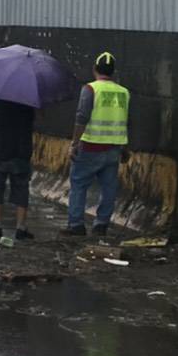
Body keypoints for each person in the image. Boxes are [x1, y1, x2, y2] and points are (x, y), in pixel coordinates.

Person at [67, 51, 129, 236]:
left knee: (79, 184)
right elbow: (125, 121)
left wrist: (74, 143)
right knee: (109, 188)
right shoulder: (124, 92)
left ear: (94, 68)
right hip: (114, 148)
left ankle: (76, 224)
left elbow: (82, 117)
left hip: (91, 146)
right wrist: (125, 148)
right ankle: (101, 224)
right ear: (113, 72)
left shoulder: (90, 89)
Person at [0, 90, 36, 241]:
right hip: (21, 147)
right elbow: (40, 116)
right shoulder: (30, 91)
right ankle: (21, 227)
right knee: (21, 187)